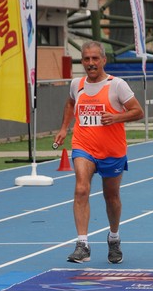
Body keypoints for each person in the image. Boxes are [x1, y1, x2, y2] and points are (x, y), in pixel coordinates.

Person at [54, 40, 144, 264]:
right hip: (84, 147)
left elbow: (138, 111)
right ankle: (82, 244)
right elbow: (69, 103)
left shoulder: (117, 85)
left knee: (111, 196)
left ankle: (114, 237)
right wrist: (64, 128)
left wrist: (116, 117)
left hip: (112, 150)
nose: (91, 63)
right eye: (86, 59)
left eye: (95, 58)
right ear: (82, 61)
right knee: (81, 188)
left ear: (103, 60)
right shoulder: (77, 84)